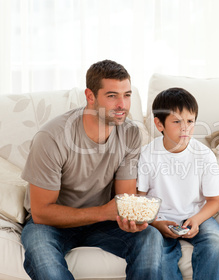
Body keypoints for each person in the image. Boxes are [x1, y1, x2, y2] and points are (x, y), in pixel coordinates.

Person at [20, 59, 163, 279]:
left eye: (127, 95)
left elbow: (123, 198)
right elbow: (40, 212)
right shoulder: (52, 138)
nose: (122, 105)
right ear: (90, 96)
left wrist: (130, 220)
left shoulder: (131, 134)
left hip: (103, 223)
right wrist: (102, 212)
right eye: (112, 96)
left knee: (150, 237)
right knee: (41, 252)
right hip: (51, 224)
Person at [137, 87, 219, 280]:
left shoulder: (204, 155)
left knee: (216, 242)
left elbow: (214, 201)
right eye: (177, 122)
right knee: (159, 258)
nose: (185, 128)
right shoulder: (147, 155)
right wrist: (155, 222)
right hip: (160, 220)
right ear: (159, 124)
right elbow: (140, 199)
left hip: (196, 216)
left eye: (190, 121)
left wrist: (196, 220)